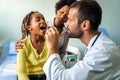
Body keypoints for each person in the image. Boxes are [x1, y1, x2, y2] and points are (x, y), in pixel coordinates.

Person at [43, 0, 120, 80]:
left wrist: (53, 47)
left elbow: (59, 78)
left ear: (85, 25)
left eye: (69, 19)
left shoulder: (101, 54)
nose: (67, 24)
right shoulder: (99, 44)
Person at [17, 11, 48, 80]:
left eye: (44, 19)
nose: (43, 21)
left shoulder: (50, 42)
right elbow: (21, 72)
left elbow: (52, 69)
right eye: (38, 20)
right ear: (29, 27)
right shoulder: (22, 44)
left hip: (47, 74)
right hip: (29, 76)